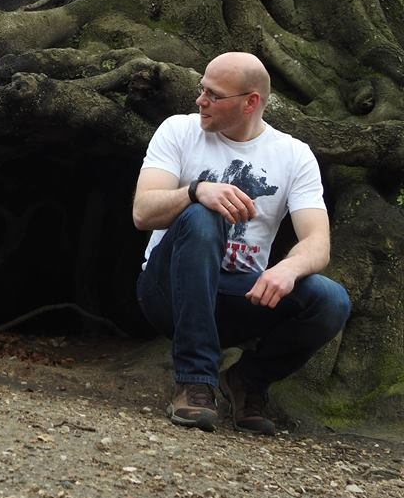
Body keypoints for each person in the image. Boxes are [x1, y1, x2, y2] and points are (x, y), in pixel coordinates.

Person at [133, 52, 350, 435]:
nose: (200, 100)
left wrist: (287, 268)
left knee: (330, 299)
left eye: (213, 95)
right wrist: (197, 191)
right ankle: (195, 380)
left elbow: (317, 242)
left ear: (251, 102)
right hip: (167, 290)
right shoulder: (178, 130)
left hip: (238, 296)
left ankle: (248, 380)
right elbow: (142, 212)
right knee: (204, 213)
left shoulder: (294, 155)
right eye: (202, 89)